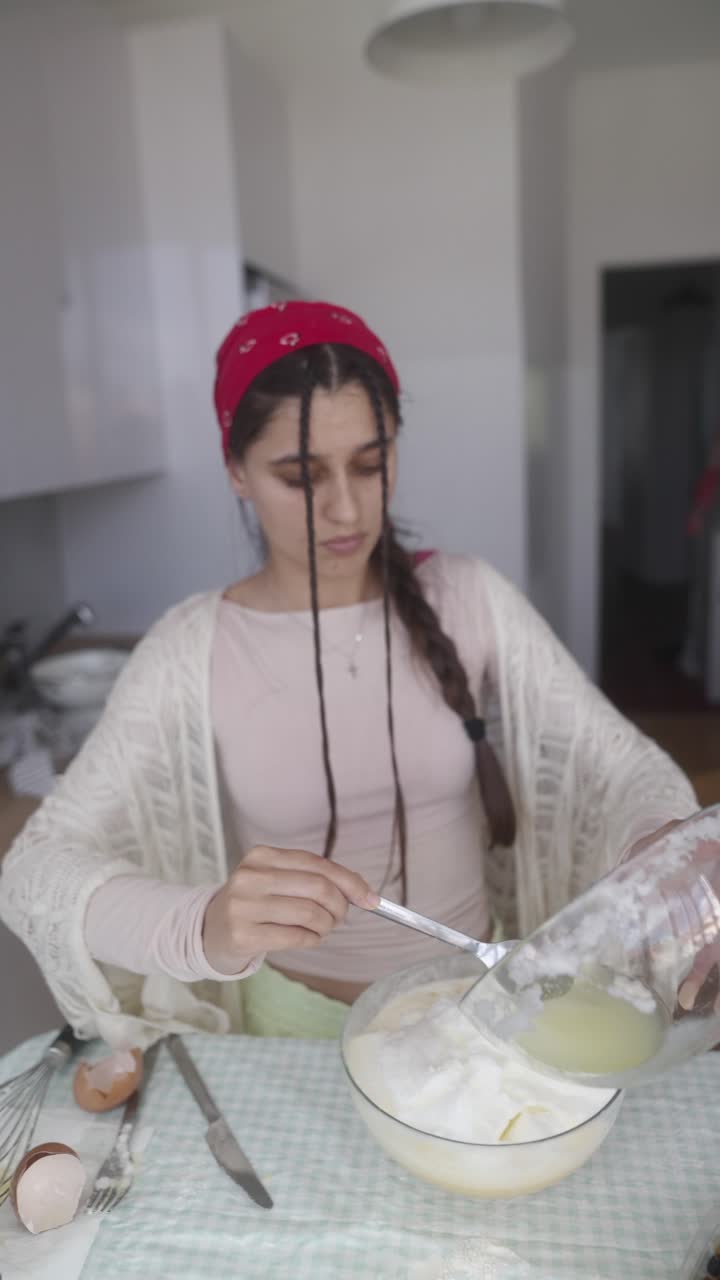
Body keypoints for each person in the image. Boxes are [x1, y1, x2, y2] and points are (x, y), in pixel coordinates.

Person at [0, 301, 698, 1050]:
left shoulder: (470, 597)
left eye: (371, 464)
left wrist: (666, 853)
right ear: (237, 472)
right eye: (300, 476)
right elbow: (34, 872)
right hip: (293, 1033)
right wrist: (201, 925)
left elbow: (622, 769)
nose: (346, 509)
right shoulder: (190, 648)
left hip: (481, 1008)